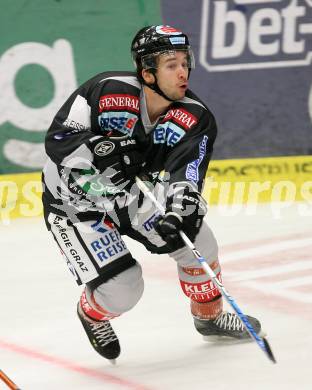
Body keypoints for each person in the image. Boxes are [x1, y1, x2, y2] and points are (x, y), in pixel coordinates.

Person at [42, 25, 262, 362]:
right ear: (147, 71)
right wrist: (99, 147)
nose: (183, 72)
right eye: (171, 64)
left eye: (185, 62)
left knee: (198, 239)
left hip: (130, 193)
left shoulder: (195, 117)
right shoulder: (105, 90)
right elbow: (57, 139)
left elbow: (187, 174)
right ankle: (92, 314)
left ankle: (209, 318)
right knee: (123, 290)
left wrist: (178, 210)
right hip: (75, 200)